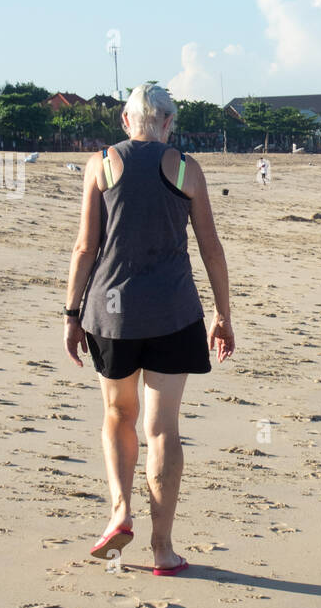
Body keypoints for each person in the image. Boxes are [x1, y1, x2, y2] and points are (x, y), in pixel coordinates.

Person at [63, 84, 235, 577]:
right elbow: (211, 247)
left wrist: (71, 314)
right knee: (162, 429)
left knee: (118, 414)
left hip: (111, 314)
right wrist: (223, 314)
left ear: (125, 121)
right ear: (167, 124)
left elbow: (84, 248)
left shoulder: (101, 164)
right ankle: (162, 548)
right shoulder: (186, 168)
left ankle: (120, 511)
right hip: (173, 314)